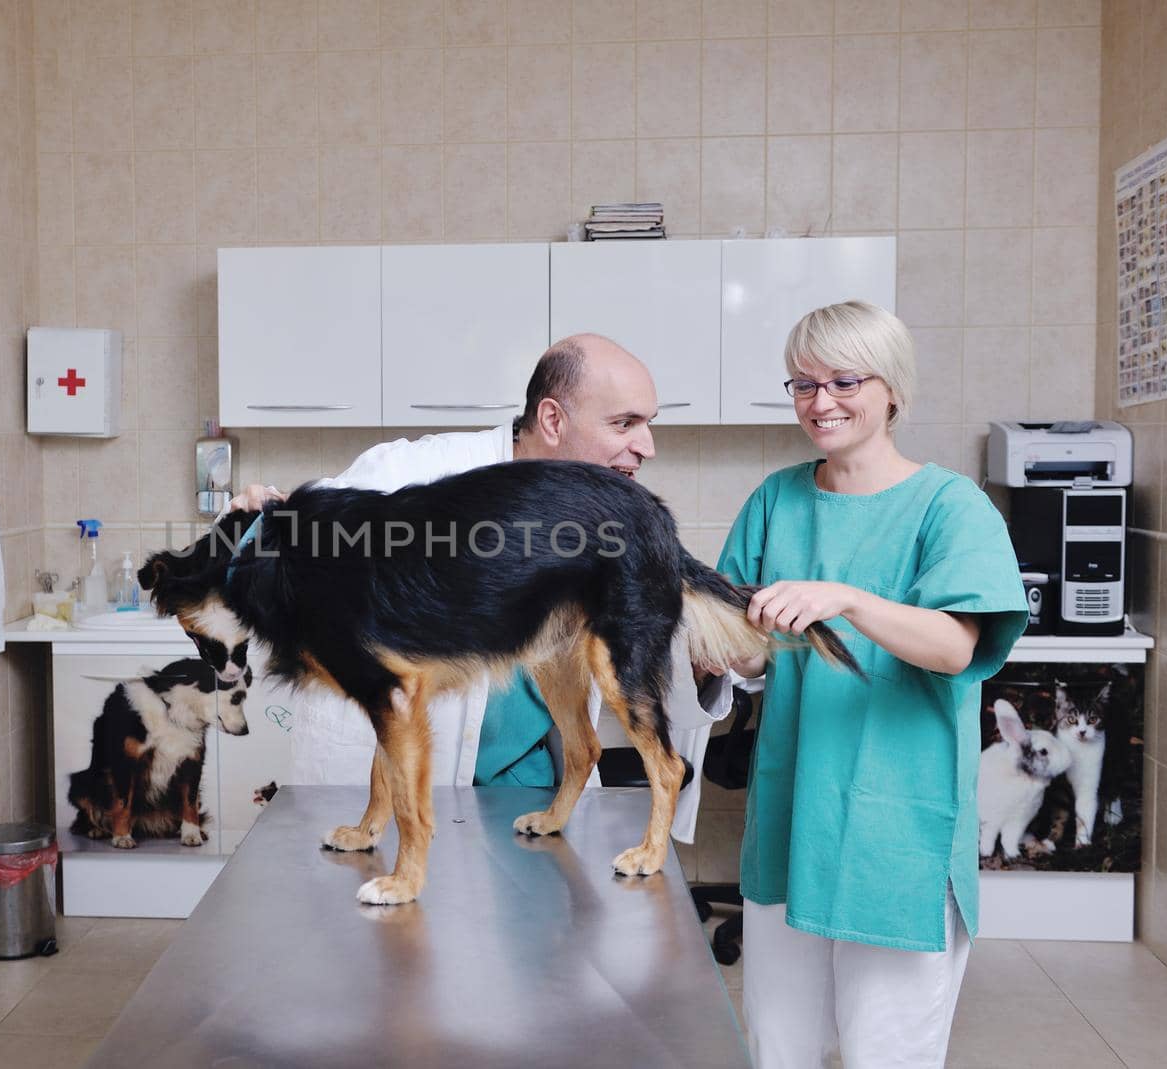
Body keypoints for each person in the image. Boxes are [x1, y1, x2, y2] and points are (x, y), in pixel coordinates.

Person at [229, 333, 732, 844]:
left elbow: (648, 679)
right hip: (376, 792)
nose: (647, 446)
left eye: (649, 424)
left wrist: (701, 663)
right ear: (553, 420)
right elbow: (285, 548)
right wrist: (254, 529)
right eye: (625, 423)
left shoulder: (609, 524)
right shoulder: (408, 473)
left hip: (529, 795)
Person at [710, 302, 1026, 1067]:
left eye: (844, 380)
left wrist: (846, 598)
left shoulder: (950, 507)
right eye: (804, 383)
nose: (821, 402)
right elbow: (739, 649)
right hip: (792, 822)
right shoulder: (775, 500)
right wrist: (735, 651)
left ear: (892, 390)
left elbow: (956, 647)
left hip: (898, 835)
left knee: (887, 1054)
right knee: (778, 1049)